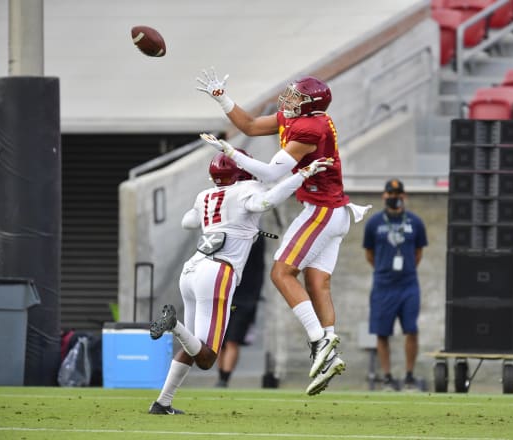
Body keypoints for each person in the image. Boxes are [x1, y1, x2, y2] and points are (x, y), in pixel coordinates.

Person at [196, 68, 371, 396]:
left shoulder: (309, 128)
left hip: (321, 211)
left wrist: (231, 153)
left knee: (280, 273)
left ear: (311, 106)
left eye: (296, 98)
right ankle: (329, 352)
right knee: (317, 283)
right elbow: (248, 125)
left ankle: (320, 343)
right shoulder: (301, 119)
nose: (288, 100)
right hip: (334, 211)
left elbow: (270, 173)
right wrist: (223, 100)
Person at [148, 150, 332, 415]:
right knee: (208, 357)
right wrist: (301, 175)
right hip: (217, 273)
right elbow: (265, 203)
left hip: (191, 271)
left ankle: (162, 403)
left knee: (193, 346)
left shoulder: (205, 196)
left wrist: (228, 222)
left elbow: (188, 222)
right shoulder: (246, 189)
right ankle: (173, 325)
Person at [362, 179, 428, 392]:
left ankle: (409, 376)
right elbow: (369, 254)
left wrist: (405, 268)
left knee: (411, 329)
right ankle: (388, 378)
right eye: (391, 193)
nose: (394, 197)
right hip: (383, 284)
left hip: (408, 283)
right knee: (382, 332)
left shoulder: (415, 222)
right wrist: (384, 269)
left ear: (404, 196)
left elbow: (418, 253)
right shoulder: (374, 223)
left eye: (398, 193)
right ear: (384, 195)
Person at [215, 234, 265, 388]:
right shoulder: (224, 234)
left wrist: (254, 297)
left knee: (232, 340)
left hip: (245, 300)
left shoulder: (256, 237)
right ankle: (221, 378)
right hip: (224, 296)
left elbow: (259, 268)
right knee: (220, 342)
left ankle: (224, 380)